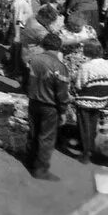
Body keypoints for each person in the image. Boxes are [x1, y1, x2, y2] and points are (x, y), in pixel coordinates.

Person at [25, 32, 71, 181]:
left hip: (33, 102)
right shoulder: (60, 67)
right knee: (46, 138)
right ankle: (41, 170)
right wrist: (63, 111)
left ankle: (30, 160)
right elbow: (62, 93)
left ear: (44, 45)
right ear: (59, 48)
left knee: (33, 133)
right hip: (50, 107)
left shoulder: (34, 60)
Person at [72, 40, 108, 164]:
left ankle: (85, 154)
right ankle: (89, 147)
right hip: (102, 100)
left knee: (84, 126)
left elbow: (79, 85)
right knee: (92, 124)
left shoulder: (85, 66)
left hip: (86, 100)